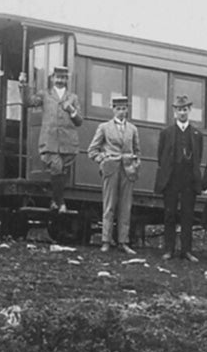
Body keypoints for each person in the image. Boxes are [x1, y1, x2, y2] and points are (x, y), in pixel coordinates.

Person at [87, 94, 141, 254]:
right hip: (110, 170)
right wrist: (103, 159)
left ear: (128, 109)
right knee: (109, 206)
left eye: (124, 109)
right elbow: (92, 151)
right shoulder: (104, 127)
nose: (121, 112)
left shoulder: (133, 129)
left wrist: (135, 165)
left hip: (128, 171)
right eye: (118, 109)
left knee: (126, 206)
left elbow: (138, 151)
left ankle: (123, 242)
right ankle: (105, 241)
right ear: (113, 109)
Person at [155, 94, 203, 261]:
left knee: (187, 215)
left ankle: (186, 251)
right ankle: (169, 250)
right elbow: (161, 157)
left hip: (189, 180)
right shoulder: (166, 132)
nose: (182, 113)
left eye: (184, 109)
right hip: (171, 179)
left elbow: (198, 157)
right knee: (170, 214)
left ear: (189, 110)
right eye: (179, 110)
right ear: (174, 112)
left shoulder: (197, 134)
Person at [34, 66, 83, 213]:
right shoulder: (45, 95)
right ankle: (60, 202)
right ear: (52, 78)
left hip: (68, 141)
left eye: (63, 77)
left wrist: (71, 110)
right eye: (58, 77)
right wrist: (22, 85)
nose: (60, 80)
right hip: (50, 140)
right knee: (56, 167)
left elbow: (79, 121)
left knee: (62, 171)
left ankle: (55, 202)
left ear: (67, 79)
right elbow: (28, 102)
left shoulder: (73, 97)